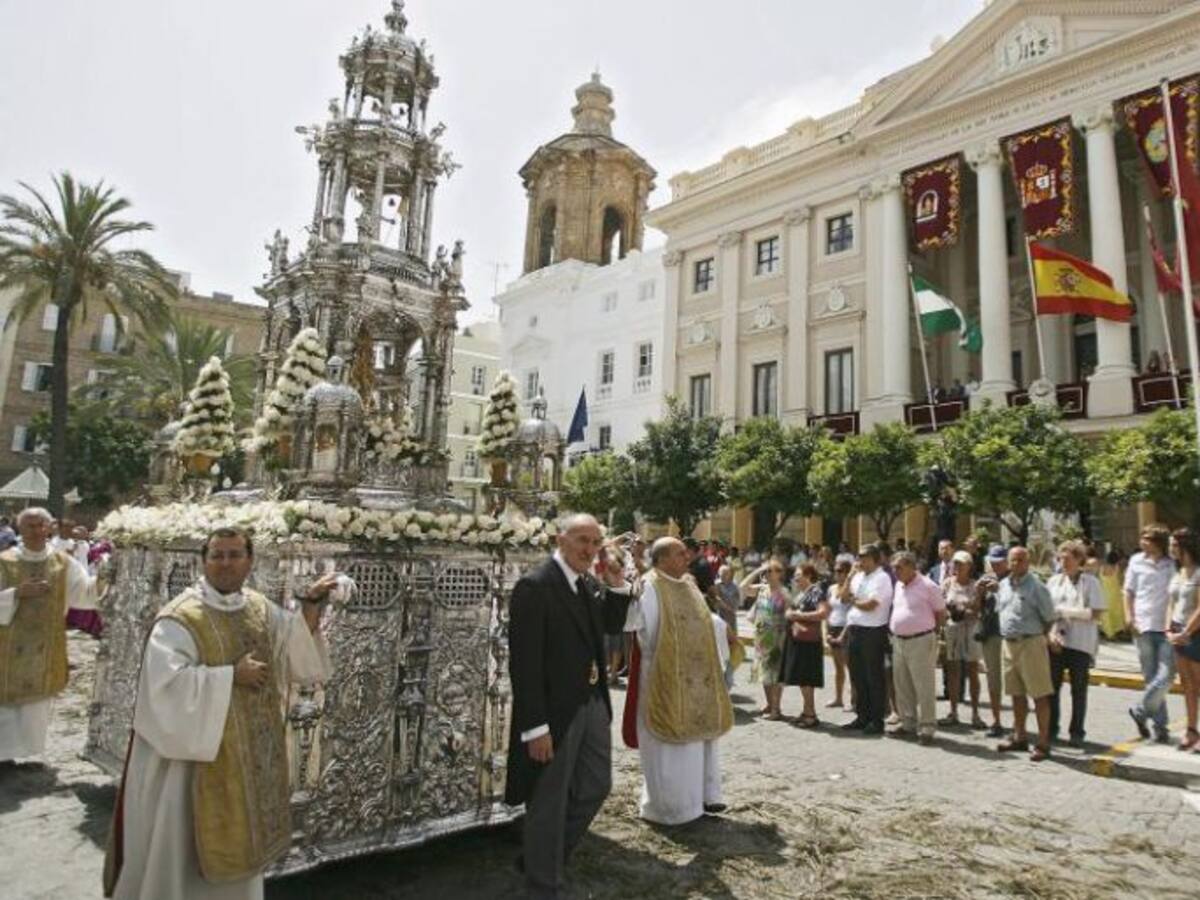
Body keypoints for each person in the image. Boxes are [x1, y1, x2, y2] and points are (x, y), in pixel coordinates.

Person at [107, 526, 338, 900]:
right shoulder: (181, 617)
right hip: (194, 766)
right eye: (217, 555)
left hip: (249, 758)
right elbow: (164, 690)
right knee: (184, 851)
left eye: (234, 555)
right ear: (204, 561)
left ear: (250, 561)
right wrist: (231, 675)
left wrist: (310, 608)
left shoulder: (259, 608)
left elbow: (293, 649)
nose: (225, 563)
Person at [506, 514, 631, 900]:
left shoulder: (587, 582)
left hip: (592, 702)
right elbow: (524, 663)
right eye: (582, 540)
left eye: (595, 542)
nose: (589, 549)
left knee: (595, 786)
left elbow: (608, 627)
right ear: (561, 539)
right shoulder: (536, 585)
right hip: (554, 713)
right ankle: (545, 885)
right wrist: (535, 727)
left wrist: (617, 586)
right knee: (549, 800)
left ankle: (543, 856)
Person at [624, 538, 732, 825]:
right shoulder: (650, 586)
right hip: (664, 675)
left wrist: (722, 630)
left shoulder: (688, 584)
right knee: (670, 746)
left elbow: (706, 619)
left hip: (697, 677)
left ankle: (699, 800)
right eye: (679, 553)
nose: (687, 557)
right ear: (661, 559)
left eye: (686, 552)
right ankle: (669, 809)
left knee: (699, 742)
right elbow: (642, 631)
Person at [0, 507, 99, 763]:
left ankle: (26, 751)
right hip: (9, 645)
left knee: (36, 702)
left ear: (49, 528)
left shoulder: (62, 563)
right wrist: (16, 593)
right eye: (29, 526)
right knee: (6, 702)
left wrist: (104, 577)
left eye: (39, 525)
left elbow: (84, 593)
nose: (35, 531)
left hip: (45, 645)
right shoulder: (5, 560)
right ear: (20, 529)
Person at [996, 546, 1056, 761]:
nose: (1015, 564)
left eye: (1020, 560)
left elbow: (1049, 617)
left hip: (1030, 643)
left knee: (1039, 694)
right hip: (1008, 644)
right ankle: (1019, 736)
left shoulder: (1037, 587)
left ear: (1027, 562)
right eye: (1012, 560)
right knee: (1016, 693)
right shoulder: (1003, 585)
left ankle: (1043, 742)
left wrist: (1039, 637)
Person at [1046, 540, 1105, 748]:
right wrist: (1050, 634)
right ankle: (1051, 728)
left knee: (1078, 689)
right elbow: (1047, 612)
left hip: (1080, 643)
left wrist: (1065, 612)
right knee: (1052, 688)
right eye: (1061, 558)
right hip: (1057, 642)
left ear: (1079, 560)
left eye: (1068, 559)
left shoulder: (1090, 582)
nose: (1064, 562)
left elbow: (1095, 613)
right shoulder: (1053, 582)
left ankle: (1077, 731)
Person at [1124, 524, 1177, 744]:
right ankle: (1161, 727)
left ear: (1158, 542)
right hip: (1143, 625)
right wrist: (1129, 616)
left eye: (1148, 538)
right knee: (1151, 678)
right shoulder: (1136, 562)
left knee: (1166, 677)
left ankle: (1139, 710)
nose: (1143, 541)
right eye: (1142, 537)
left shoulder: (1171, 564)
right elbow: (1128, 591)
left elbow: (1174, 595)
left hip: (1166, 627)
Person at [889, 551, 947, 745]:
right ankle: (908, 723)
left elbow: (940, 613)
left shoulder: (929, 586)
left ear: (912, 567)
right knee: (902, 684)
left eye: (899, 567)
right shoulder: (898, 585)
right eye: (894, 568)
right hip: (899, 640)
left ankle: (927, 727)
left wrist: (932, 634)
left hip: (921, 640)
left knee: (924, 685)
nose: (895, 571)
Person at [843, 544, 893, 736]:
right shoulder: (857, 576)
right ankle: (862, 716)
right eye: (859, 557)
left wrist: (853, 601)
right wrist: (848, 577)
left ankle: (876, 719)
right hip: (855, 629)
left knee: (874, 677)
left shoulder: (881, 578)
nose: (860, 561)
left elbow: (871, 605)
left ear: (875, 559)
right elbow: (842, 596)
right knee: (857, 676)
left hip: (873, 631)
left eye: (864, 558)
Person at [781, 565, 829, 728]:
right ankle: (806, 711)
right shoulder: (802, 593)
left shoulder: (817, 591)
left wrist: (797, 615)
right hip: (799, 640)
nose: (795, 578)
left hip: (809, 642)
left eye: (798, 575)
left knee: (807, 678)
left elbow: (823, 613)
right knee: (802, 678)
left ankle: (811, 714)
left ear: (808, 575)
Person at [941, 550, 984, 728]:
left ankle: (975, 713)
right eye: (955, 563)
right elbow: (942, 605)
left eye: (961, 563)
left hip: (971, 631)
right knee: (953, 671)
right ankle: (953, 711)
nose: (957, 566)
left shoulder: (976, 585)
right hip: (953, 630)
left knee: (973, 671)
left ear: (969, 566)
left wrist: (963, 609)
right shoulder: (947, 584)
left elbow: (978, 608)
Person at [1167, 528, 1200, 752]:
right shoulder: (1178, 573)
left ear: (1184, 546)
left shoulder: (1198, 573)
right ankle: (1191, 730)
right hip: (1178, 632)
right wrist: (1168, 628)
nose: (1170, 549)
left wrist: (1186, 632)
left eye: (1173, 544)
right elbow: (1171, 604)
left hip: (1194, 634)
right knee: (1187, 685)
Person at [745, 561, 789, 720]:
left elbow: (790, 615)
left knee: (775, 674)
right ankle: (770, 704)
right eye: (768, 571)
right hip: (761, 636)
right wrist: (757, 570)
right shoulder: (762, 589)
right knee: (764, 673)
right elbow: (742, 588)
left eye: (774, 570)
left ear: (780, 573)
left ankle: (776, 709)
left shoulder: (784, 592)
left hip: (777, 637)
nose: (770, 573)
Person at [975, 545, 1008, 738]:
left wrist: (999, 589)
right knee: (993, 680)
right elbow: (978, 609)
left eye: (999, 562)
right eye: (992, 562)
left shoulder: (1014, 580)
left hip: (1009, 636)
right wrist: (979, 593)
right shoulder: (987, 579)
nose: (995, 566)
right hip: (990, 634)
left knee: (1015, 681)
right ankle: (996, 721)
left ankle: (1020, 725)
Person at [825, 557, 853, 709]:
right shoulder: (831, 588)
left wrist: (843, 633)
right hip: (833, 627)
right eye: (835, 571)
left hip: (846, 627)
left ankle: (853, 699)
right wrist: (827, 631)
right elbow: (829, 610)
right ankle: (838, 697)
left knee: (850, 666)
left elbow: (852, 612)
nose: (837, 574)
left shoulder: (851, 589)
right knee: (838, 667)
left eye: (840, 571)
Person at [715, 565, 741, 688]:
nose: (724, 575)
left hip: (730, 621)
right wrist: (726, 606)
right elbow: (715, 600)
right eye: (722, 573)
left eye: (726, 573)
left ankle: (729, 677)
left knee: (730, 649)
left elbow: (736, 603)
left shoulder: (734, 587)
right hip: (719, 620)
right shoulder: (716, 585)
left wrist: (729, 607)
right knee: (719, 649)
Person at [1098, 549, 1128, 640]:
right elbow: (1120, 580)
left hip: (1104, 592)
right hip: (1114, 592)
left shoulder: (1102, 567)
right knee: (1116, 613)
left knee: (1106, 614)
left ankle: (1108, 633)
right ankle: (1117, 631)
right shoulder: (1116, 567)